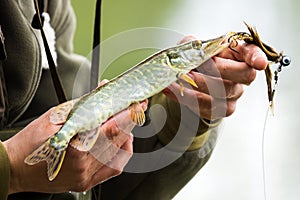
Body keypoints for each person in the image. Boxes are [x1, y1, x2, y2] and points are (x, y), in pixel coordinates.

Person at [0, 0, 268, 200]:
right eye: (196, 49)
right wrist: (10, 169)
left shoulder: (45, 5)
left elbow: (93, 170)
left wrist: (184, 114)